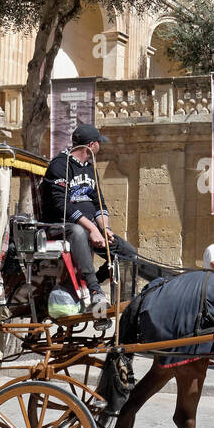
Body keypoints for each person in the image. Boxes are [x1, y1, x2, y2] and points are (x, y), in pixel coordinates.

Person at [39, 123, 151, 307]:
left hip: (90, 226)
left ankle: (114, 293)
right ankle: (94, 291)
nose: (100, 146)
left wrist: (104, 228)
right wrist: (91, 228)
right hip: (60, 226)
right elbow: (61, 204)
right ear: (91, 145)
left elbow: (99, 203)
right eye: (99, 142)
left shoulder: (90, 168)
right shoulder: (59, 165)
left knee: (128, 252)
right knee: (79, 231)